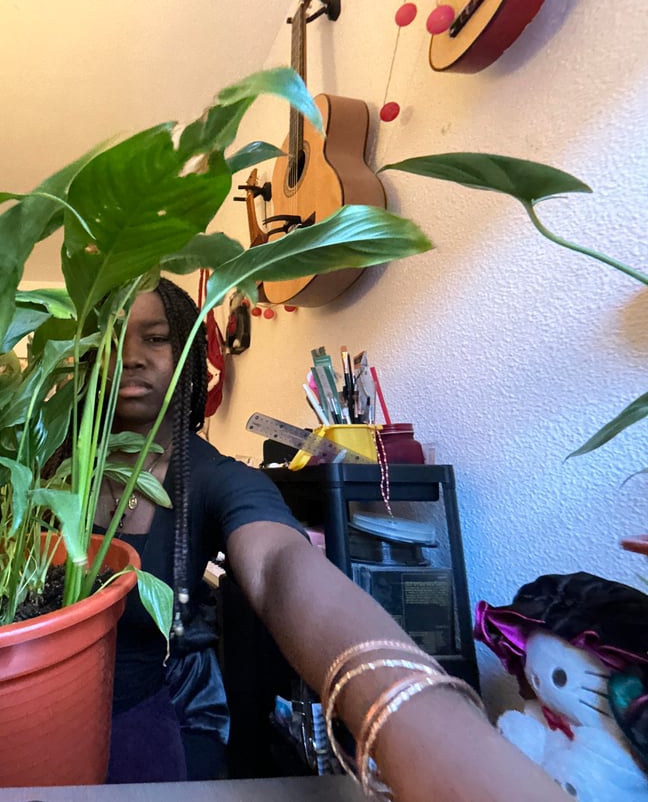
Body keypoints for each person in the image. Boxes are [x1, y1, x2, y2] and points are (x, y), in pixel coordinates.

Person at [97, 278, 566, 801]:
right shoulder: (43, 468)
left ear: (187, 357)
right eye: (113, 341)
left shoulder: (213, 477)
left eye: (155, 338)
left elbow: (278, 565)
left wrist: (411, 709)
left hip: (163, 716)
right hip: (42, 707)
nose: (130, 358)